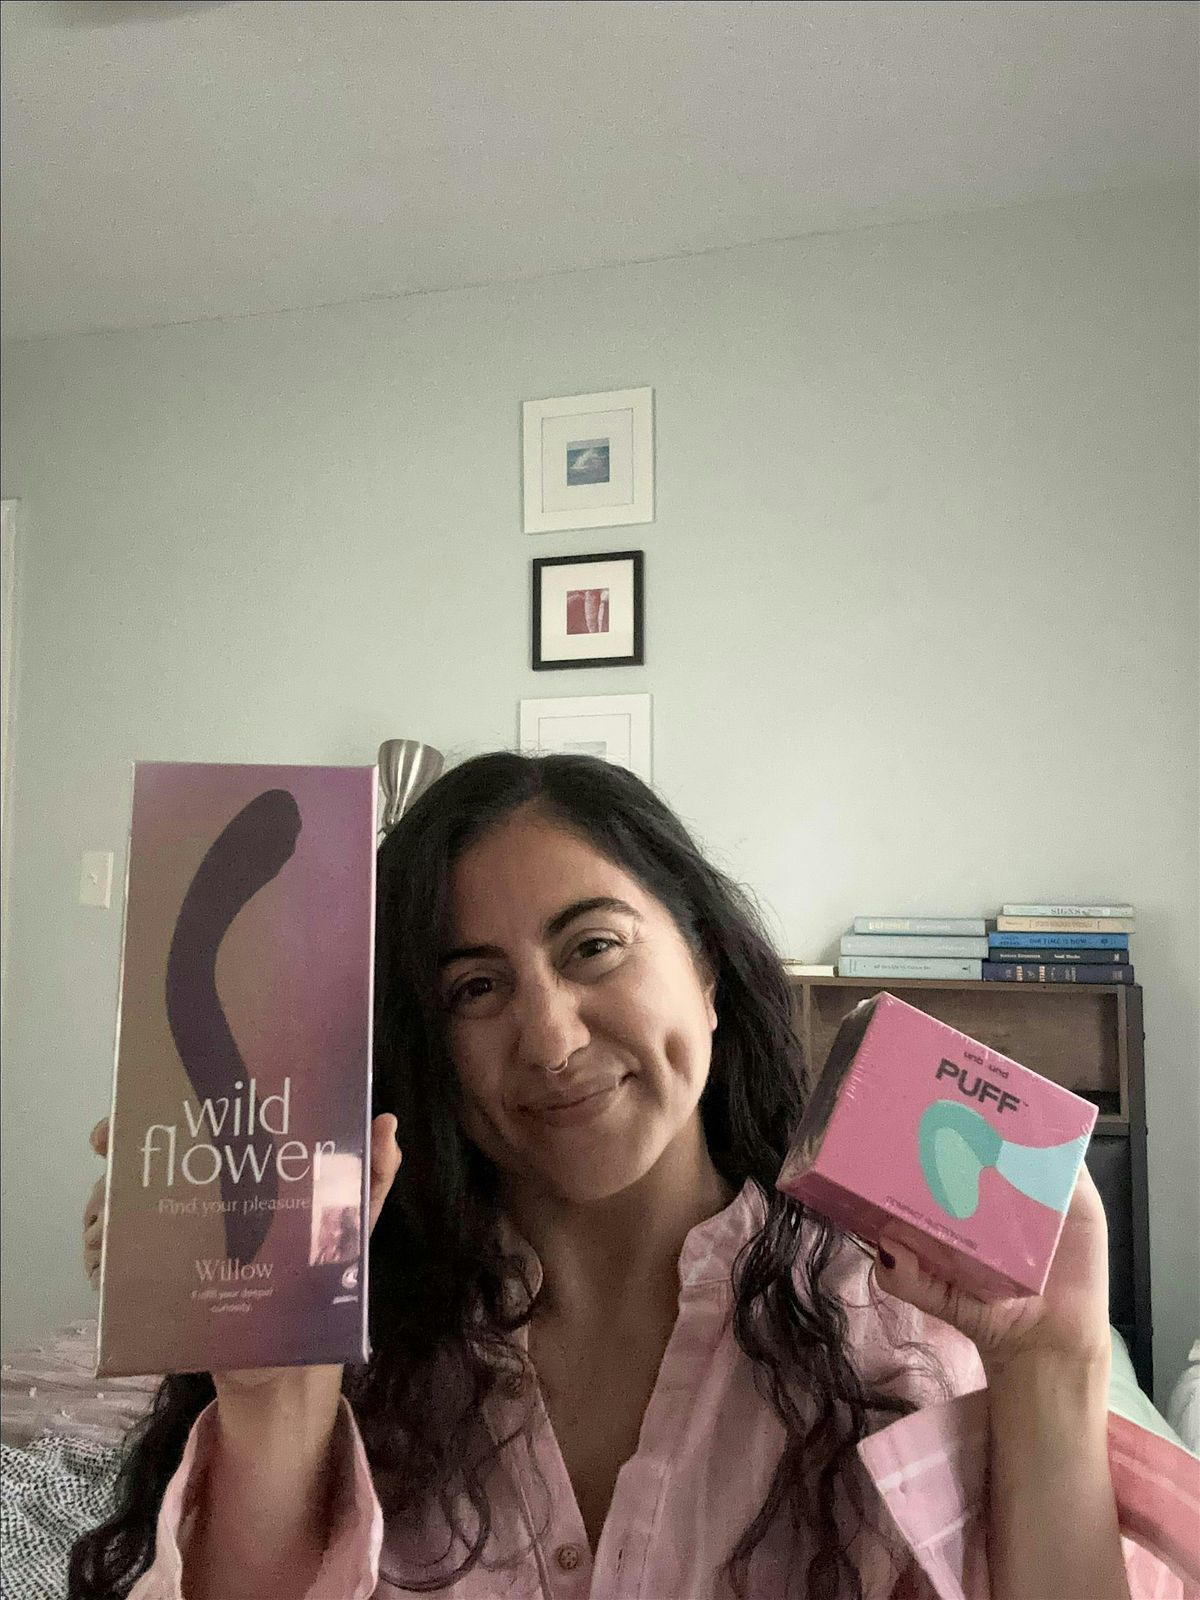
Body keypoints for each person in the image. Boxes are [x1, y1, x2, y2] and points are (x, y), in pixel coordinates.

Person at [72, 752, 1198, 1600]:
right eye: (476, 988)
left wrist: (1054, 1367)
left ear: (705, 967)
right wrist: (270, 1389)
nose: (552, 1038)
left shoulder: (896, 1326)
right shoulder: (371, 1330)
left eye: (593, 947)